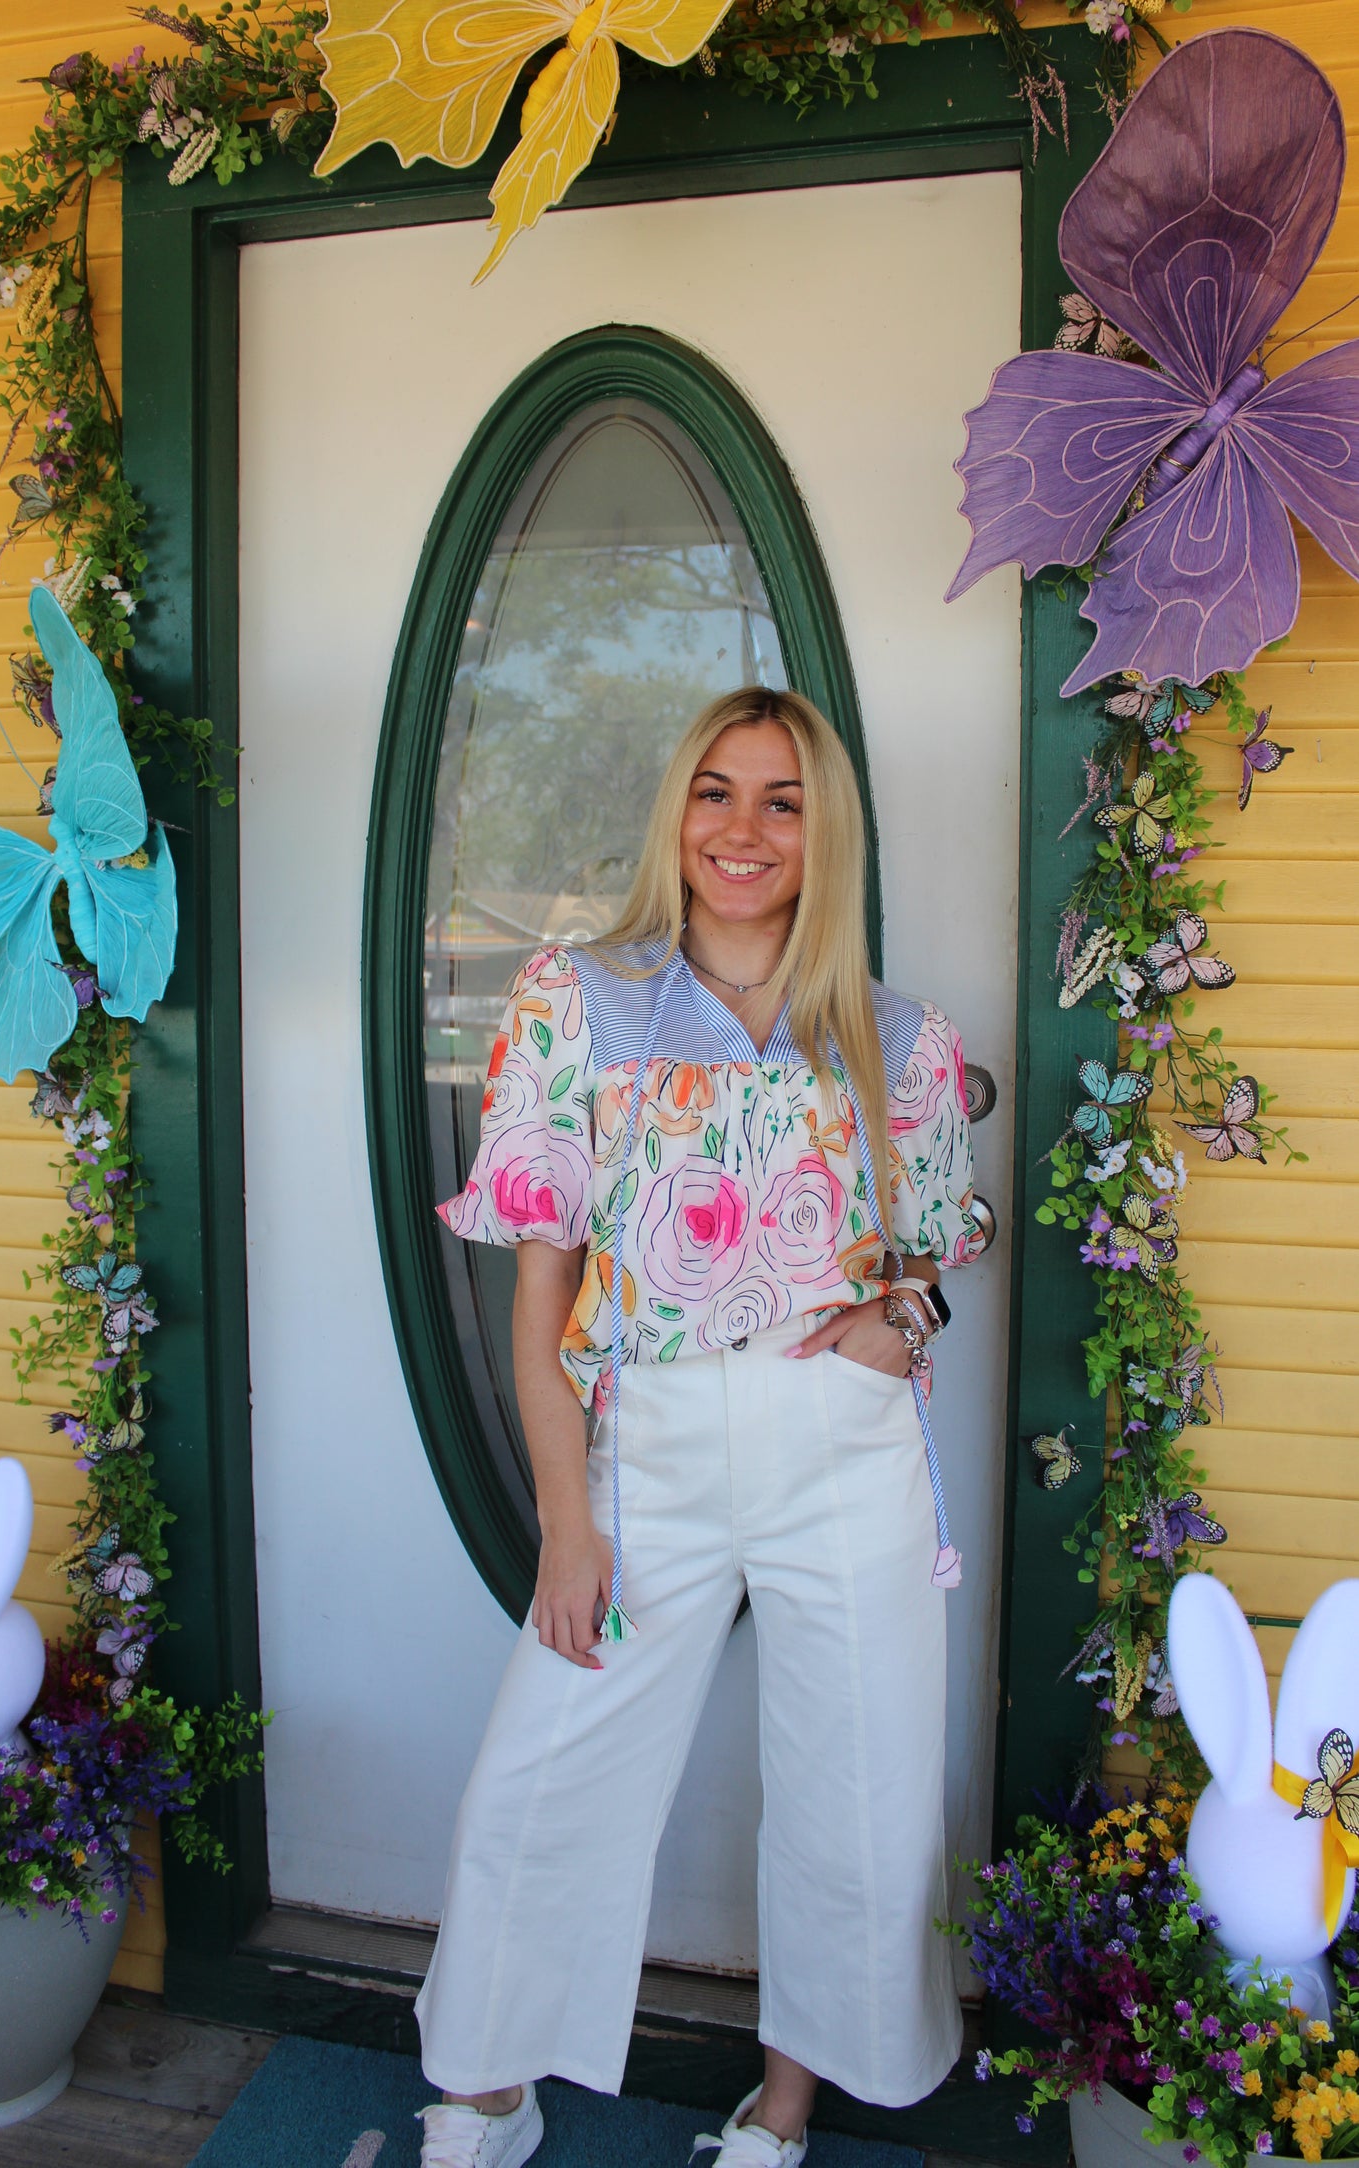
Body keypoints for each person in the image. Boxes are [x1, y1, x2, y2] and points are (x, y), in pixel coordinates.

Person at [415, 686, 984, 2168]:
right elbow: (538, 1294)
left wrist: (888, 1333)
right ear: (676, 812)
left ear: (823, 832)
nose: (743, 829)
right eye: (715, 792)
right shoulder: (576, 997)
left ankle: (781, 2107)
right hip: (648, 1446)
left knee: (849, 1802)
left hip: (844, 1456)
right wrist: (565, 1519)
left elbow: (938, 1244)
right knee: (544, 1776)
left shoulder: (897, 1040)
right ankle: (483, 2086)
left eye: (782, 799)